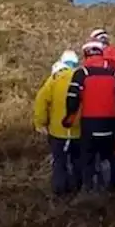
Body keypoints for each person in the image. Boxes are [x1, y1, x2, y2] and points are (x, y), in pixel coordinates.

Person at [63, 40, 115, 192]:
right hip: (111, 123)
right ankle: (110, 188)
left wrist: (69, 118)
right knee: (109, 156)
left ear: (86, 54)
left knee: (88, 158)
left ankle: (89, 189)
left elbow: (72, 98)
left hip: (89, 123)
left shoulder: (82, 73)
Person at [33, 50, 82, 196]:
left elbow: (41, 101)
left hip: (57, 131)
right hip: (78, 130)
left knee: (59, 162)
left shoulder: (54, 79)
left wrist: (40, 123)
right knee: (77, 162)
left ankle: (60, 191)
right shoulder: (81, 78)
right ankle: (77, 190)